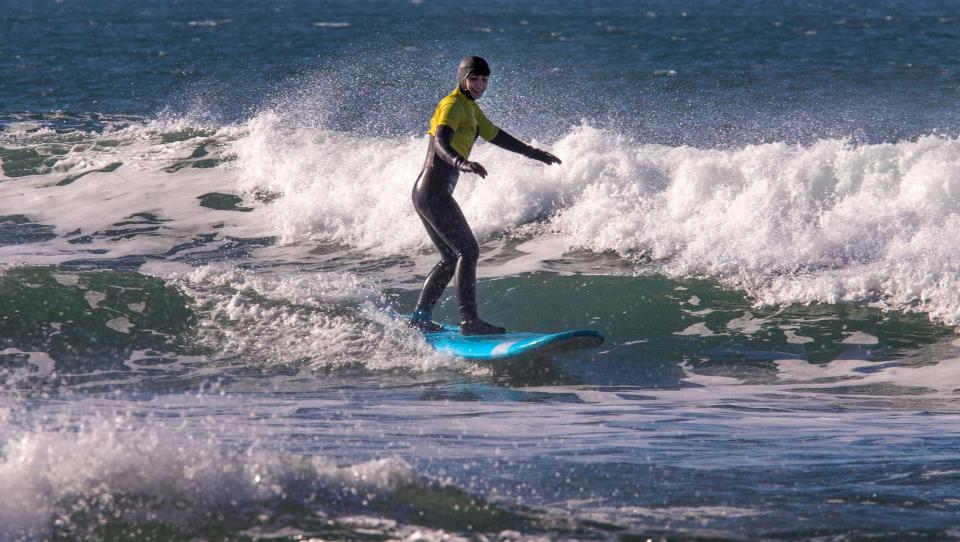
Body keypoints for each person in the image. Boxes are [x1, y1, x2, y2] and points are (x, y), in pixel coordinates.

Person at [410, 56, 562, 335]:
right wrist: (461, 162)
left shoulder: (471, 109)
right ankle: (470, 321)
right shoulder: (452, 105)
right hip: (432, 190)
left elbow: (498, 137)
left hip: (428, 193)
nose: (479, 85)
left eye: (484, 80)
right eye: (474, 78)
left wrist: (535, 153)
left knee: (449, 257)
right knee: (467, 251)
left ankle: (420, 316)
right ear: (462, 79)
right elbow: (442, 142)